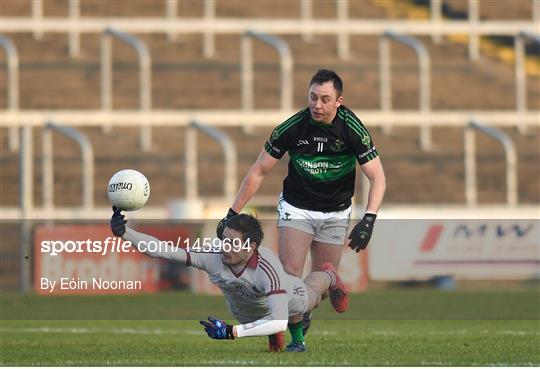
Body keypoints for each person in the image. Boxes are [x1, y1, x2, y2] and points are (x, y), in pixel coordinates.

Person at [216, 69, 386, 338]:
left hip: (336, 211)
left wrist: (369, 220)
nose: (317, 105)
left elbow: (377, 177)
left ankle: (321, 290)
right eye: (313, 97)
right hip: (297, 207)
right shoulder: (291, 128)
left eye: (325, 99)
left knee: (318, 285)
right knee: (289, 274)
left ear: (339, 101)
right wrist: (232, 212)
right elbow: (259, 170)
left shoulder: (353, 129)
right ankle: (294, 336)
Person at [110, 208, 349, 353]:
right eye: (224, 240)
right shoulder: (213, 256)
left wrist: (231, 332)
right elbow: (164, 250)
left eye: (233, 243)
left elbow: (277, 321)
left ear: (250, 247)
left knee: (310, 298)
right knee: (257, 315)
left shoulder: (268, 268)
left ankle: (329, 276)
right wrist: (125, 232)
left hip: (284, 302)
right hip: (247, 310)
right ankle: (268, 332)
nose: (225, 247)